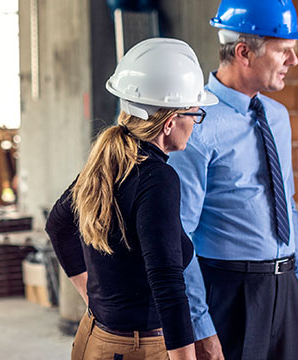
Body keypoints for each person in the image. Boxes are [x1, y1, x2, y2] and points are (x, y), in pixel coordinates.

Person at [46, 38, 217, 360]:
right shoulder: (158, 178)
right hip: (137, 347)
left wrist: (91, 295)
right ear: (170, 122)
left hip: (95, 336)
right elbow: (167, 281)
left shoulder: (109, 159)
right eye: (195, 114)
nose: (196, 123)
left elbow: (57, 225)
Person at [165, 0, 298, 358]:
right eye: (285, 51)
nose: (294, 61)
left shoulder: (277, 116)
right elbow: (177, 235)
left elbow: (287, 202)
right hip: (230, 294)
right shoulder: (196, 124)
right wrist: (199, 323)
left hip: (285, 288)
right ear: (244, 52)